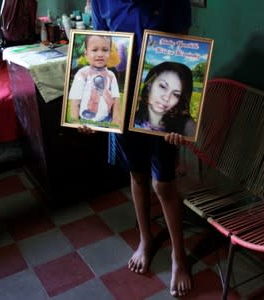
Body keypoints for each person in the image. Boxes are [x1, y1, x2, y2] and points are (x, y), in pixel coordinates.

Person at [86, 0, 193, 297]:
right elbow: (99, 52)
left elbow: (184, 52)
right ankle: (145, 239)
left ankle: (178, 256)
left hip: (161, 108)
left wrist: (179, 120)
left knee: (164, 184)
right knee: (137, 175)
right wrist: (92, 111)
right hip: (122, 102)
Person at [68, 35, 121, 124]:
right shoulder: (82, 73)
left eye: (105, 50)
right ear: (86, 53)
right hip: (85, 121)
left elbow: (116, 99)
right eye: (94, 50)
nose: (100, 54)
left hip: (106, 120)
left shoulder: (111, 76)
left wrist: (116, 120)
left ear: (110, 53)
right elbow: (75, 100)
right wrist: (75, 123)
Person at [134, 62, 196, 136]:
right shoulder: (130, 118)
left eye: (176, 94)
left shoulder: (186, 125)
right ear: (149, 85)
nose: (166, 98)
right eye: (163, 86)